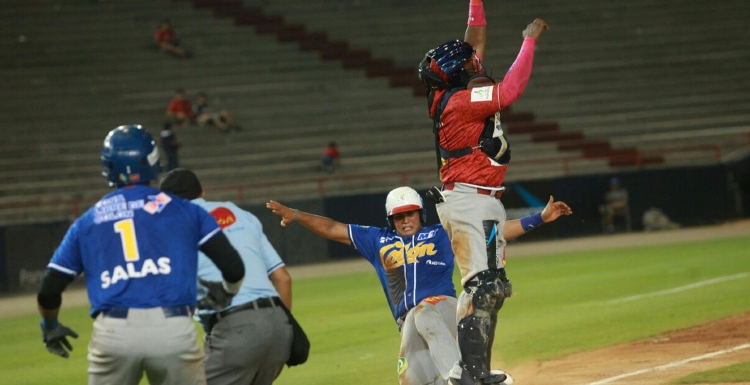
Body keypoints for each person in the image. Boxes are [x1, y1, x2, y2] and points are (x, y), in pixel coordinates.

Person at [266, 187, 571, 385]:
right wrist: (296, 215)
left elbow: (493, 231)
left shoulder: (441, 233)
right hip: (408, 325)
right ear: (391, 219)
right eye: (398, 216)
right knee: (412, 381)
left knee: (424, 310)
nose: (405, 220)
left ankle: (465, 376)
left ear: (420, 213)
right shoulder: (378, 240)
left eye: (410, 213)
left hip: (444, 312)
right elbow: (332, 228)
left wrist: (540, 218)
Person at [417, 0, 550, 384]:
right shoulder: (459, 101)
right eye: (468, 61)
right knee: (482, 288)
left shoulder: (452, 91)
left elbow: (472, 47)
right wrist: (528, 42)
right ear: (459, 74)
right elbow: (510, 89)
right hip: (469, 199)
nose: (475, 59)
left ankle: (475, 371)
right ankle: (467, 375)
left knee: (491, 288)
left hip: (481, 199)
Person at [36, 124, 245, 385]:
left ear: (108, 167)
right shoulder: (186, 211)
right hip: (174, 329)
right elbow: (234, 267)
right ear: (154, 161)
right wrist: (227, 290)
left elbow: (49, 287)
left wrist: (50, 326)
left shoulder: (87, 222)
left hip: (114, 332)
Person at [159, 168, 294, 385]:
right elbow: (283, 278)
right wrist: (286, 332)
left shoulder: (173, 226)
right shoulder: (240, 213)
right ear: (202, 192)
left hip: (234, 330)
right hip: (278, 326)